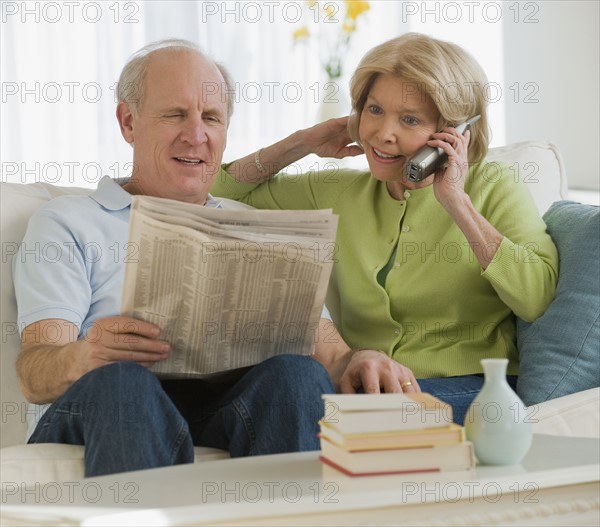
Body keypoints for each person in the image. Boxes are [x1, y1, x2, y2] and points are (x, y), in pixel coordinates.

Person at [13, 39, 355, 477]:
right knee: (125, 382)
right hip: (110, 404)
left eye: (211, 118)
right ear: (128, 122)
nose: (196, 135)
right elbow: (34, 372)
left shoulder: (255, 225)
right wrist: (86, 354)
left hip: (221, 407)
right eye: (175, 114)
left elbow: (329, 351)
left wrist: (355, 360)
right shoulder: (68, 222)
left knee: (297, 375)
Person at [210, 33, 559, 424]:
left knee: (340, 423)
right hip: (366, 387)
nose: (382, 132)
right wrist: (302, 143)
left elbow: (537, 298)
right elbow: (213, 189)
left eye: (409, 119)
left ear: (454, 132)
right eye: (374, 110)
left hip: (468, 386)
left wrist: (457, 202)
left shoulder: (494, 185)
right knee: (287, 403)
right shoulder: (339, 190)